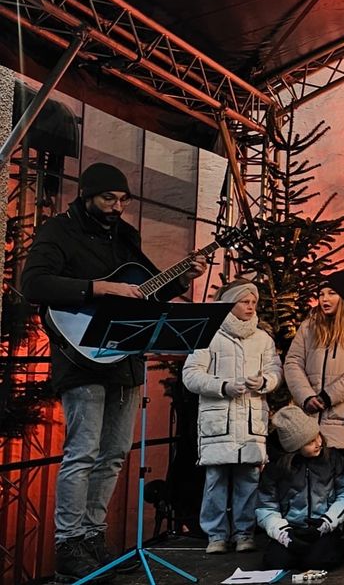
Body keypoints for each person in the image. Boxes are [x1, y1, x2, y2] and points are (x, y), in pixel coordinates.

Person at [21, 162, 208, 580]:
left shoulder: (125, 236)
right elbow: (34, 283)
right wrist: (98, 287)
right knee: (82, 453)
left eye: (123, 200)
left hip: (123, 360)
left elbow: (142, 290)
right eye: (109, 199)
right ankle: (68, 544)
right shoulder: (59, 232)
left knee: (112, 457)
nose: (117, 207)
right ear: (87, 195)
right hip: (80, 357)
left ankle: (92, 537)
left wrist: (179, 281)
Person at [182, 278, 282, 554]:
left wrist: (263, 382)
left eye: (253, 303)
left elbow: (275, 371)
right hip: (219, 420)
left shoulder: (263, 339)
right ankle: (215, 535)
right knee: (216, 478)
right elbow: (191, 375)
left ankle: (244, 533)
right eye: (244, 302)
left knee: (248, 479)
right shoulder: (209, 335)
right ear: (230, 303)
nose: (250, 307)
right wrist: (223, 386)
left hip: (251, 420)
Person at [283, 269, 344, 466]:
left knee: (342, 487)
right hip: (309, 425)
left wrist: (327, 397)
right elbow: (293, 362)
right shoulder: (309, 327)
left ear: (343, 297)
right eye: (321, 294)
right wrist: (306, 396)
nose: (325, 299)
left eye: (331, 293)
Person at [257, 406, 344, 571]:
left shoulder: (332, 459)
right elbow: (265, 505)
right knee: (276, 562)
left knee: (317, 562)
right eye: (310, 441)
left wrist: (327, 522)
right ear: (294, 447)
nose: (318, 443)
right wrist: (282, 532)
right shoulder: (276, 468)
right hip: (290, 528)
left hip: (323, 526)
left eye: (317, 436)